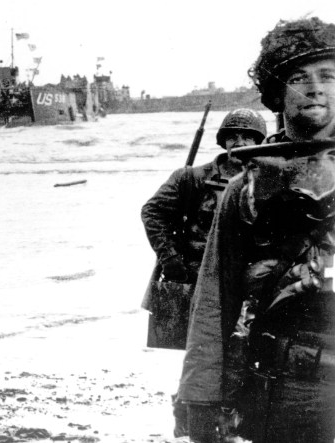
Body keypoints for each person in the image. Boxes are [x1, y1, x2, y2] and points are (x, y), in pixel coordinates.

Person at [178, 17, 335, 443]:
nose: (315, 88)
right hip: (284, 391)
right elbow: (214, 299)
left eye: (328, 76)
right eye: (299, 78)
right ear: (277, 94)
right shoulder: (246, 187)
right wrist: (201, 395)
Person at [140, 108, 266, 438]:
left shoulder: (264, 182)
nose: (240, 142)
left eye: (249, 137)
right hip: (198, 280)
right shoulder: (192, 178)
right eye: (233, 136)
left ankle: (227, 420)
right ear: (223, 141)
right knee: (202, 357)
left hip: (244, 282)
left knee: (241, 352)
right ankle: (194, 420)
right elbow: (152, 212)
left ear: (259, 142)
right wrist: (171, 261)